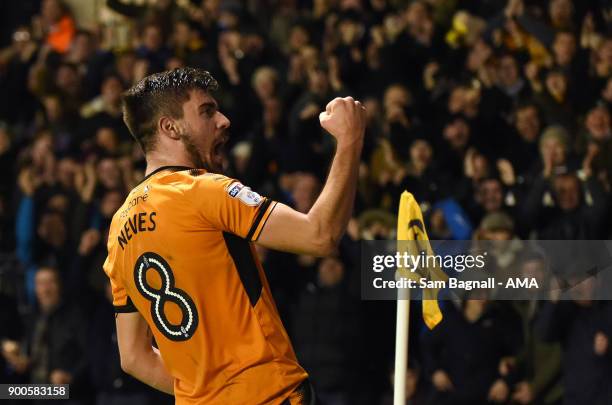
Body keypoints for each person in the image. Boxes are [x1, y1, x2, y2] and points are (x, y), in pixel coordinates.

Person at [102, 67, 366, 404]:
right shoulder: (204, 190)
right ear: (169, 127)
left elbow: (134, 358)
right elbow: (320, 236)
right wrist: (350, 139)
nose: (224, 120)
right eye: (207, 111)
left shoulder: (118, 228)